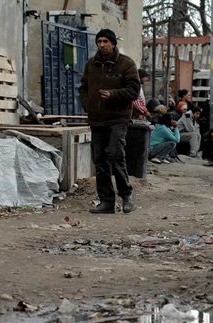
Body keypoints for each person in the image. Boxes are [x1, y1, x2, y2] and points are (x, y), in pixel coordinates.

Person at [79, 28, 140, 214]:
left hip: (118, 119)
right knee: (100, 160)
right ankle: (106, 202)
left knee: (115, 155)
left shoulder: (126, 64)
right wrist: (88, 104)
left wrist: (113, 95)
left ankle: (126, 196)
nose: (102, 45)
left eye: (106, 41)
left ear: (113, 43)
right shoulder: (92, 64)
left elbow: (133, 91)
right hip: (97, 120)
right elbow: (83, 87)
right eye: (99, 42)